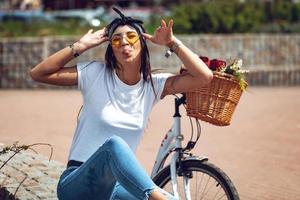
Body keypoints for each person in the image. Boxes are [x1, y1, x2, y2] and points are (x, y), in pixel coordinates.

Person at [30, 7, 213, 200]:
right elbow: (38, 73)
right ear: (112, 49)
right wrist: (79, 47)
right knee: (114, 145)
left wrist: (172, 43)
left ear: (142, 43)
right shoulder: (94, 74)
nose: (124, 42)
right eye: (117, 39)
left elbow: (204, 77)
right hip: (78, 185)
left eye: (131, 36)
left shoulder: (154, 85)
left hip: (115, 187)